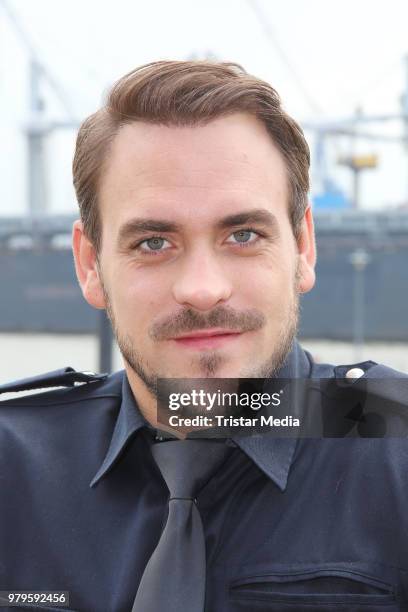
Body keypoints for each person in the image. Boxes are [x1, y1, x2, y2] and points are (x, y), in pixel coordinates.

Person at [1, 60, 407, 612]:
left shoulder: (394, 443)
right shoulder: (13, 467)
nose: (202, 289)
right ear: (91, 264)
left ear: (303, 246)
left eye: (243, 234)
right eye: (152, 242)